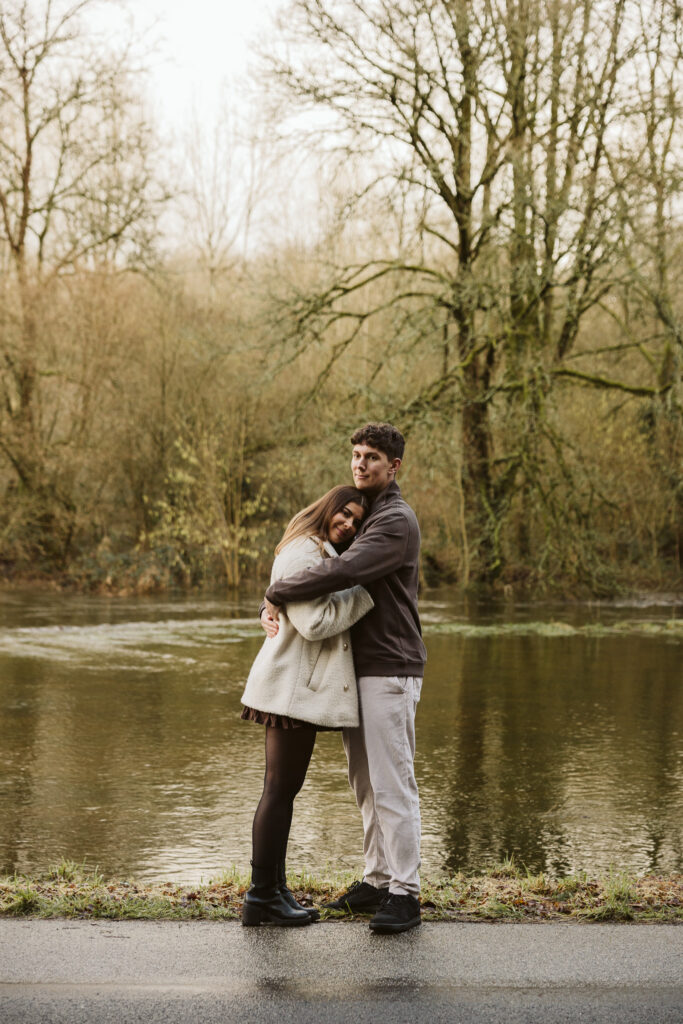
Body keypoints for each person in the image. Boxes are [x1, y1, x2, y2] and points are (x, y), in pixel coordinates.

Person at [262, 423, 426, 934]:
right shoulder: (366, 514)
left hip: (390, 666)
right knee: (367, 784)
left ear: (393, 467)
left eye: (372, 457)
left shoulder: (394, 520)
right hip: (361, 670)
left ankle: (405, 894)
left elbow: (343, 573)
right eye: (356, 454)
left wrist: (277, 592)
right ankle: (377, 880)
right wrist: (275, 596)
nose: (360, 463)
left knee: (393, 783)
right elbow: (318, 566)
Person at [240, 485, 374, 927]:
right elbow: (314, 623)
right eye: (344, 513)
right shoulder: (304, 551)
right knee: (279, 790)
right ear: (327, 507)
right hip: (290, 690)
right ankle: (261, 897)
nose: (349, 524)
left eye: (356, 521)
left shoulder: (318, 551)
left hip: (296, 688)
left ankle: (274, 890)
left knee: (283, 790)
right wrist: (363, 592)